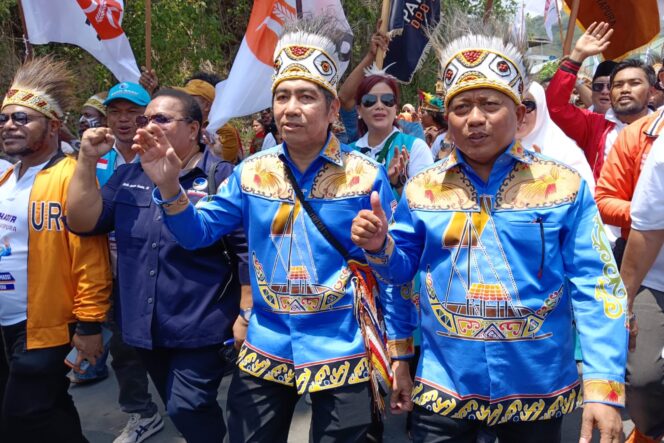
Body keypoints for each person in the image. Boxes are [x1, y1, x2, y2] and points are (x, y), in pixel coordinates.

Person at [135, 16, 411, 443]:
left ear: (333, 108)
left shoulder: (365, 176)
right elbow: (197, 234)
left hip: (345, 345)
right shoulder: (251, 172)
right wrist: (169, 187)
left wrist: (397, 351)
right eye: (282, 96)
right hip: (268, 344)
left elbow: (396, 276)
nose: (290, 107)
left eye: (305, 96)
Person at [351, 23, 628, 443]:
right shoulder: (422, 189)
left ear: (518, 115)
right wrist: (380, 247)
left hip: (535, 388)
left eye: (489, 104)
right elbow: (400, 276)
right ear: (448, 118)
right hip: (445, 388)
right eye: (461, 107)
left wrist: (604, 385)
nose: (474, 118)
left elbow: (597, 285)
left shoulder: (564, 186)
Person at [66, 88, 244, 443]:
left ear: (193, 129)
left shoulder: (221, 176)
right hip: (143, 324)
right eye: (146, 119)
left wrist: (246, 312)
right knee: (176, 403)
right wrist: (86, 161)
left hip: (202, 322)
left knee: (186, 405)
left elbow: (244, 249)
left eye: (161, 118)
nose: (148, 126)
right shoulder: (130, 175)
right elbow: (84, 222)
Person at [0, 56, 112, 442]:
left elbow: (90, 257)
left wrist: (89, 325)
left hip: (47, 326)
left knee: (21, 419)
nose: (9, 126)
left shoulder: (70, 176)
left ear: (52, 125)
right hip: (5, 324)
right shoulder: (4, 177)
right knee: (48, 413)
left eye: (21, 118)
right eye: (4, 118)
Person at [546, 22, 655, 182]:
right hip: (600, 206)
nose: (625, 89)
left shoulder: (660, 129)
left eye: (634, 83)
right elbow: (555, 107)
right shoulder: (594, 126)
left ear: (651, 92)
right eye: (617, 85)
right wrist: (577, 56)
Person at [620, 137, 664, 443]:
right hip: (657, 279)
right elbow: (647, 229)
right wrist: (624, 301)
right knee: (643, 379)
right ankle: (648, 432)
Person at [349, 69, 433, 196]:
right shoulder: (348, 153)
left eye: (387, 100)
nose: (379, 106)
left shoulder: (416, 148)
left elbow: (426, 206)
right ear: (359, 110)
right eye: (369, 100)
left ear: (395, 108)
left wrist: (398, 183)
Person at [516, 81, 595, 192]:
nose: (520, 114)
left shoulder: (566, 151)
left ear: (541, 106)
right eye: (513, 106)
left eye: (527, 105)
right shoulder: (494, 148)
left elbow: (586, 198)